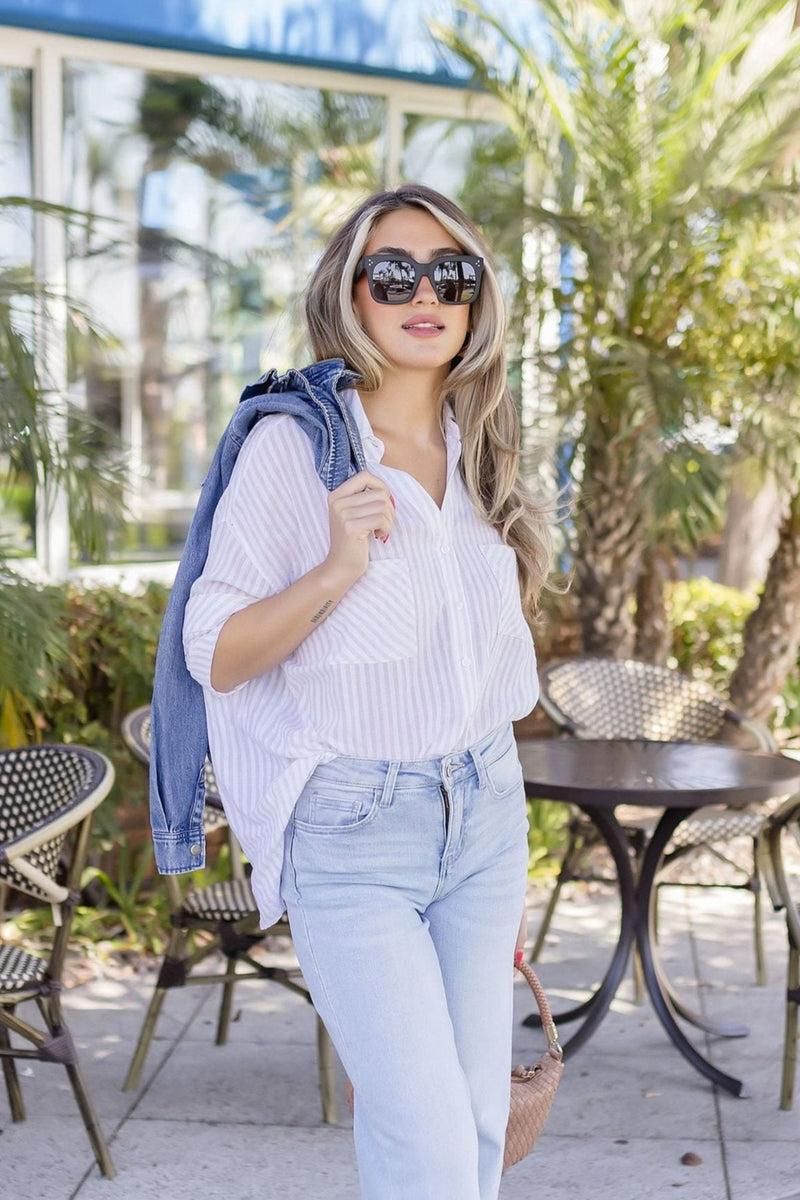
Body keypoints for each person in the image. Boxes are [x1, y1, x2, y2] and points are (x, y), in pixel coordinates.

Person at [180, 183, 553, 1200]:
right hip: (351, 831)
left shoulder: (483, 450)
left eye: (451, 274)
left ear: (478, 301)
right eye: (391, 272)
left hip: (481, 808)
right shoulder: (294, 447)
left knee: (479, 1121)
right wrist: (334, 569)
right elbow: (211, 650)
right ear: (349, 294)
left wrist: (480, 819)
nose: (422, 292)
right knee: (424, 1132)